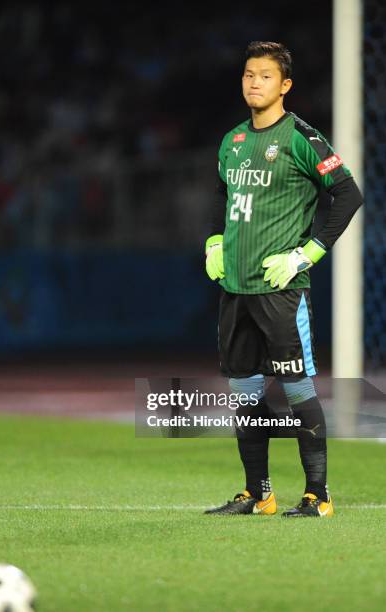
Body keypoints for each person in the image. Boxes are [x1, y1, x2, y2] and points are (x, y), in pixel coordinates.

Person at [204, 41, 363, 517]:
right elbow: (223, 198)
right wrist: (216, 241)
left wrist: (306, 254)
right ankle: (259, 493)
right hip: (236, 289)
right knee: (244, 395)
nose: (255, 82)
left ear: (285, 85)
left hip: (281, 291)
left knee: (297, 391)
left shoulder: (301, 138)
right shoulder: (231, 141)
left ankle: (319, 494)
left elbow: (348, 195)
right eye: (249, 74)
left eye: (266, 76)